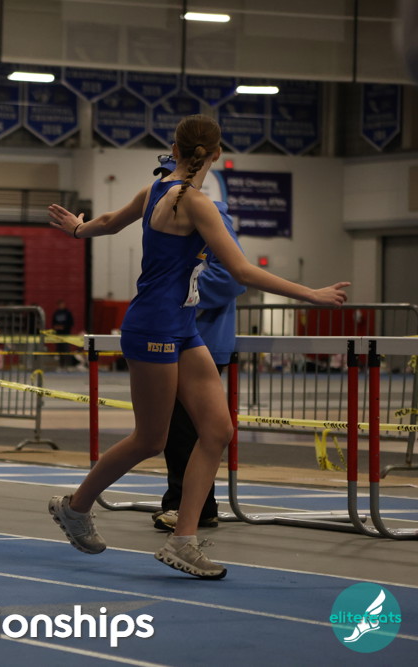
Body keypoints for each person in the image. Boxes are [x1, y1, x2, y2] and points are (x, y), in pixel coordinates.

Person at [46, 114, 349, 579]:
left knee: (217, 430)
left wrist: (77, 230)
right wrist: (311, 294)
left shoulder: (154, 190)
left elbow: (107, 222)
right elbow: (241, 271)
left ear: (175, 149)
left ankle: (182, 540)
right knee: (151, 439)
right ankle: (75, 506)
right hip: (153, 326)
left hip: (183, 326)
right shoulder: (195, 203)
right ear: (216, 155)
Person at [147, 155, 246, 533]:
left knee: (192, 431)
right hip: (177, 335)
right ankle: (185, 504)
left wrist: (177, 291)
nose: (165, 183)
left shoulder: (210, 215)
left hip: (200, 337)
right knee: (175, 432)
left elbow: (232, 277)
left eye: (170, 175)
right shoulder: (167, 214)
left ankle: (193, 507)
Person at [51, 299, 75, 370]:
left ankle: (68, 365)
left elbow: (71, 323)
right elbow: (53, 323)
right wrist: (56, 327)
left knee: (66, 350)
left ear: (64, 305)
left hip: (66, 334)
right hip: (59, 335)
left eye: (62, 304)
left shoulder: (67, 313)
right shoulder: (56, 313)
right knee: (60, 350)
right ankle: (61, 365)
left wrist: (64, 327)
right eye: (60, 305)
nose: (61, 306)